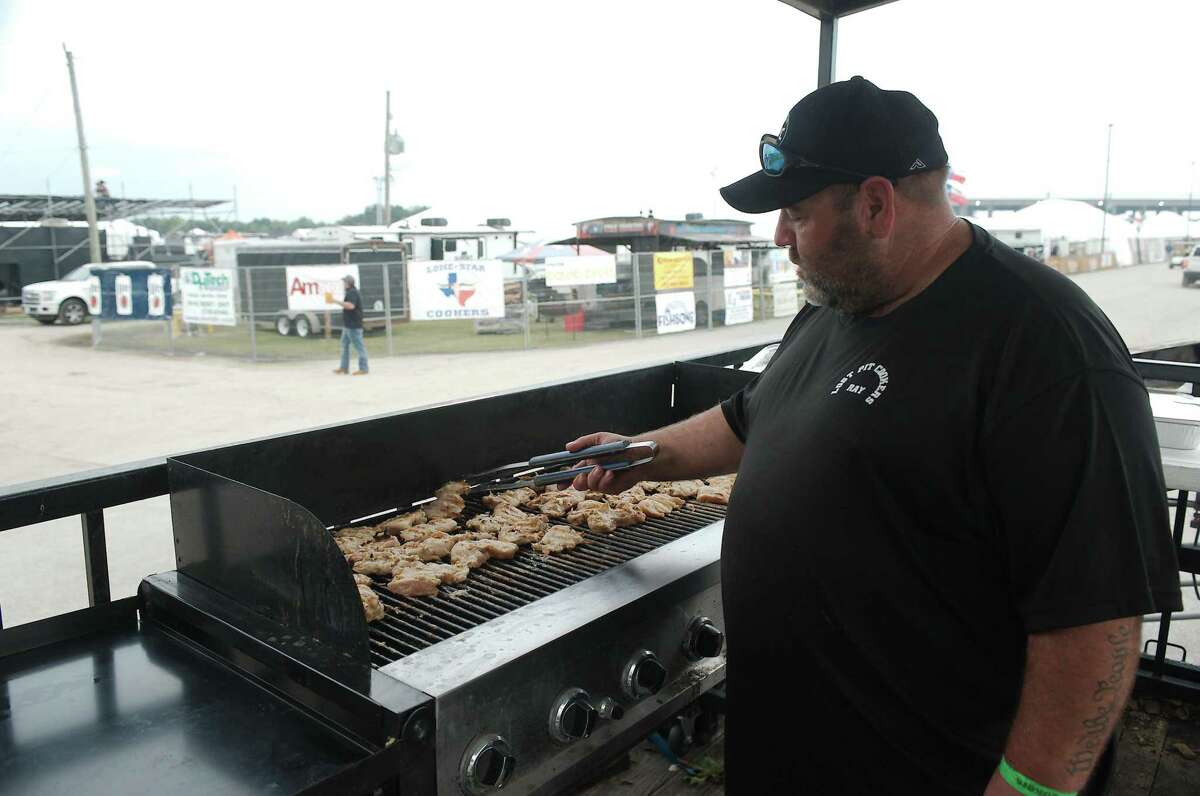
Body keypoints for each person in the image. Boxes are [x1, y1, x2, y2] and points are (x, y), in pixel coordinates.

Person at [567, 76, 1181, 794]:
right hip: (790, 755)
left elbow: (1096, 621)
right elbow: (752, 416)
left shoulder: (1046, 349)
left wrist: (1033, 788)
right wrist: (645, 454)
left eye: (796, 213)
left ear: (876, 204)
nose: (779, 238)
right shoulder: (837, 303)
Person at [331, 274, 368, 375]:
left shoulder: (352, 292)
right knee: (344, 345)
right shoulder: (350, 292)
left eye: (344, 282)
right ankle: (344, 367)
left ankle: (364, 368)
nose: (343, 284)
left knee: (359, 347)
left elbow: (351, 306)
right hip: (348, 326)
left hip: (354, 326)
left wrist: (335, 301)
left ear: (348, 283)